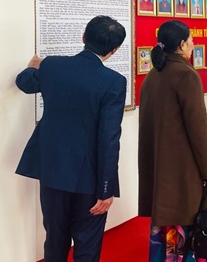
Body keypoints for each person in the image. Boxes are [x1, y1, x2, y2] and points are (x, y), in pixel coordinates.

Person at [15, 15, 127, 261]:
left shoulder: (52, 66)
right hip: (89, 178)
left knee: (55, 239)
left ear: (84, 36)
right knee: (87, 245)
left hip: (52, 170)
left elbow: (24, 82)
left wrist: (32, 66)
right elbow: (109, 139)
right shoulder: (113, 82)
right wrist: (106, 189)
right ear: (115, 49)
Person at [138, 20, 207, 261]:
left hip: (160, 166)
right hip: (182, 168)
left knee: (165, 224)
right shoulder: (186, 75)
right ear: (182, 44)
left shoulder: (153, 75)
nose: (193, 44)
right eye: (191, 39)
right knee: (184, 223)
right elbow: (199, 128)